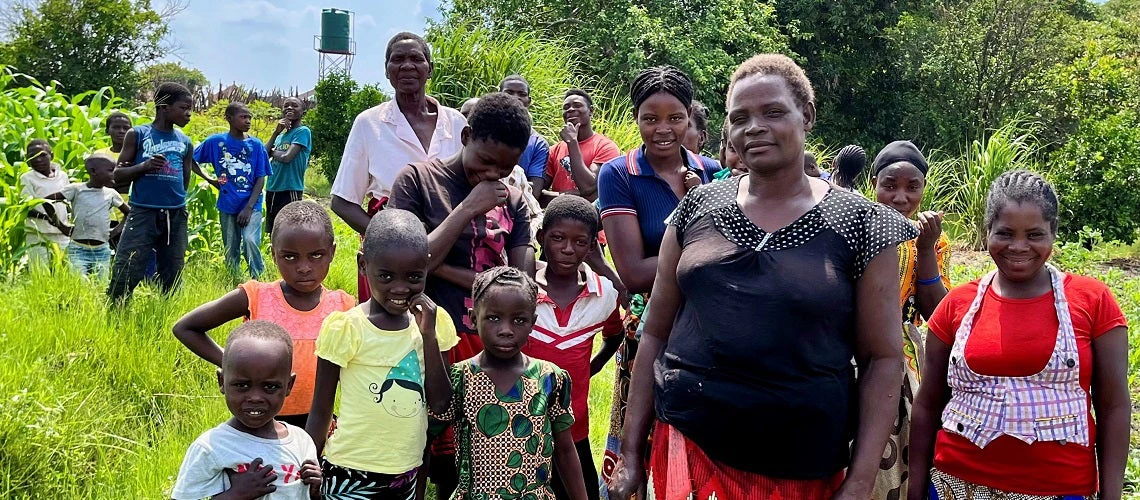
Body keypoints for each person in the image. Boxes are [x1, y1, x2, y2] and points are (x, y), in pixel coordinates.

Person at [607, 54, 915, 500]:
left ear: (806, 116)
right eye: (740, 118)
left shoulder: (862, 224)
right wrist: (632, 452)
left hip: (799, 463)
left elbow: (884, 359)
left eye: (773, 112)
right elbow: (656, 330)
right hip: (689, 448)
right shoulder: (698, 206)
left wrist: (860, 480)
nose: (753, 127)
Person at [909, 170, 1129, 500]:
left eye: (1035, 235)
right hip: (955, 485)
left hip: (1060, 489)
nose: (1019, 246)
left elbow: (1113, 407)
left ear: (1054, 233)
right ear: (987, 233)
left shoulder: (1092, 301)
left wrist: (1110, 494)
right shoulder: (958, 304)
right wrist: (915, 491)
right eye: (1006, 233)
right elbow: (927, 406)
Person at [387, 92, 537, 499]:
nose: (493, 174)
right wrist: (468, 208)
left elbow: (520, 283)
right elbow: (409, 263)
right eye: (485, 161)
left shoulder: (516, 200)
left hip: (489, 347)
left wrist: (453, 273)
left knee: (480, 456)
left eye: (506, 168)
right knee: (420, 450)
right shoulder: (418, 181)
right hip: (431, 342)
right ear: (466, 135)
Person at [595, 66, 722, 497]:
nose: (663, 129)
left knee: (695, 444)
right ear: (636, 119)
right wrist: (702, 250)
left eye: (675, 118)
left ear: (690, 117)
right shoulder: (618, 175)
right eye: (650, 118)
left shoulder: (714, 173)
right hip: (649, 326)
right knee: (637, 439)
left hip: (707, 328)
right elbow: (631, 271)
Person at [307, 209, 458, 500]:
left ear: (427, 267)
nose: (400, 288)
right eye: (386, 276)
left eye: (414, 276)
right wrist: (311, 462)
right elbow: (321, 409)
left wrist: (427, 336)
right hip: (348, 469)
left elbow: (441, 404)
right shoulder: (345, 328)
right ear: (363, 265)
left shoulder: (436, 324)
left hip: (407, 471)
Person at [172, 200, 354, 429]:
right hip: (257, 421)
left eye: (316, 255)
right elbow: (185, 328)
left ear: (332, 252)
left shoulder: (343, 306)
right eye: (290, 257)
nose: (304, 267)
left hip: (319, 424)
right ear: (273, 255)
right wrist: (233, 364)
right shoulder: (256, 297)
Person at [330, 32, 467, 303]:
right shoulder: (369, 124)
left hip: (453, 249)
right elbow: (342, 201)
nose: (407, 66)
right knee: (390, 334)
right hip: (390, 263)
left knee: (447, 330)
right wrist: (386, 241)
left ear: (430, 69)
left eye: (416, 58)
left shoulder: (457, 122)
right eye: (398, 59)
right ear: (386, 70)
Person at [432, 266, 588, 500]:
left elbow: (565, 450)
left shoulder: (549, 377)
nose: (506, 330)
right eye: (493, 318)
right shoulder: (460, 378)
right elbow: (425, 438)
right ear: (474, 318)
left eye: (519, 320)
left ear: (533, 322)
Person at [525, 195, 623, 500]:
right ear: (541, 238)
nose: (568, 249)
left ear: (592, 246)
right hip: (520, 428)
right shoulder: (520, 292)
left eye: (580, 242)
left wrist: (589, 369)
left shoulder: (603, 294)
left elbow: (616, 333)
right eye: (557, 238)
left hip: (574, 428)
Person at [869, 140, 950, 499]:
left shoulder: (931, 238)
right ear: (874, 183)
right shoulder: (854, 225)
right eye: (890, 185)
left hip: (900, 351)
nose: (900, 197)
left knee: (897, 438)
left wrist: (926, 249)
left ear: (923, 190)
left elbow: (937, 312)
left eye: (911, 187)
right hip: (847, 348)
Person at [171, 320, 323, 500]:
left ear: (289, 385)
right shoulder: (211, 447)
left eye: (270, 387)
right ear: (222, 382)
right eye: (242, 385)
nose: (255, 397)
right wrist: (236, 495)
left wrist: (315, 491)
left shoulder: (301, 441)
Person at [108, 82, 195, 301]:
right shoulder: (138, 134)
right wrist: (144, 167)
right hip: (144, 212)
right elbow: (118, 174)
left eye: (190, 109)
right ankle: (117, 308)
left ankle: (168, 311)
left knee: (173, 268)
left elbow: (185, 179)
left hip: (175, 214)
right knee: (129, 264)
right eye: (183, 108)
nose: (188, 114)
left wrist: (178, 204)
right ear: (164, 107)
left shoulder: (185, 142)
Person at [193, 102, 271, 279]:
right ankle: (233, 279)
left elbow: (261, 177)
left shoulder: (256, 145)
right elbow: (190, 157)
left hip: (252, 204)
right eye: (243, 117)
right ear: (229, 118)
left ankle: (258, 280)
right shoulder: (216, 142)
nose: (248, 121)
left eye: (250, 117)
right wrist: (209, 179)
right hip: (227, 203)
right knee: (231, 247)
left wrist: (249, 208)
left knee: (251, 241)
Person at [44, 154, 129, 279]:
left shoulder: (111, 194)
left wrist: (117, 230)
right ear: (93, 171)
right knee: (79, 284)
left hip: (102, 250)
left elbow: (129, 213)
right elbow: (47, 201)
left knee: (102, 284)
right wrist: (60, 225)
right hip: (78, 249)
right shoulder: (76, 190)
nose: (114, 174)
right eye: (111, 170)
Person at [542, 89, 622, 205]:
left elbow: (588, 187)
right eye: (566, 107)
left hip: (591, 219)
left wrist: (572, 143)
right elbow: (538, 192)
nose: (570, 109)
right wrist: (575, 195)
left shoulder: (606, 147)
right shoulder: (554, 150)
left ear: (591, 111)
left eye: (577, 105)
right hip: (557, 217)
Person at [264, 97, 313, 235]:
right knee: (274, 231)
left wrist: (272, 152)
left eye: (294, 106)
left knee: (290, 230)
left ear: (303, 111)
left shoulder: (302, 131)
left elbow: (287, 157)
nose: (289, 108)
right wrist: (275, 132)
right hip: (272, 187)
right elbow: (263, 155)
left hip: (290, 188)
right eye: (286, 106)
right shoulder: (280, 136)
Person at [19, 139, 71, 266]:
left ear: (51, 156)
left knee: (65, 271)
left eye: (42, 155)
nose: (38, 160)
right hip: (38, 234)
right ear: (27, 158)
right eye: (33, 156)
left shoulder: (62, 176)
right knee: (41, 272)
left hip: (62, 233)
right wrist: (47, 218)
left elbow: (68, 200)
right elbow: (26, 206)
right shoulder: (27, 178)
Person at [501, 75, 551, 201]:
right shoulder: (483, 130)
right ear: (498, 95)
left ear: (528, 101)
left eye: (521, 94)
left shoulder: (538, 144)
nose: (515, 97)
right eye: (509, 92)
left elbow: (534, 191)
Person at [97, 111, 133, 193]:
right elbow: (98, 183)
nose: (121, 131)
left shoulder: (138, 154)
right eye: (116, 127)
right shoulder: (100, 155)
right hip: (105, 204)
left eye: (126, 128)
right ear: (107, 130)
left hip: (132, 204)